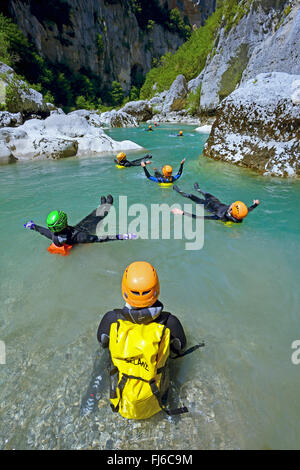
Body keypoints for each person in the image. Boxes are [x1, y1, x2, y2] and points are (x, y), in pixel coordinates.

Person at [96, 261, 190, 419]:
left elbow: (102, 342)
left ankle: (94, 393)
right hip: (155, 397)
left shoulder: (111, 319)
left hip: (122, 398)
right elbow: (180, 348)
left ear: (124, 291)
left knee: (103, 357)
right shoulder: (170, 322)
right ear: (157, 290)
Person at [24, 195, 136, 254]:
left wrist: (33, 226)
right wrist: (121, 236)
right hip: (84, 232)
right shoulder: (81, 237)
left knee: (91, 216)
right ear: (65, 222)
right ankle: (108, 205)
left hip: (77, 229)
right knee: (97, 218)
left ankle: (102, 206)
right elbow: (100, 239)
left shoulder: (54, 236)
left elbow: (43, 231)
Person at [172, 183, 260, 223]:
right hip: (216, 201)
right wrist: (255, 204)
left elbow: (200, 217)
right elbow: (247, 210)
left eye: (233, 205)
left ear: (232, 211)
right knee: (206, 193)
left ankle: (179, 191)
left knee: (191, 196)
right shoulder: (240, 215)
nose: (232, 203)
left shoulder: (219, 216)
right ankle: (198, 189)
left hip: (206, 205)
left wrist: (182, 213)